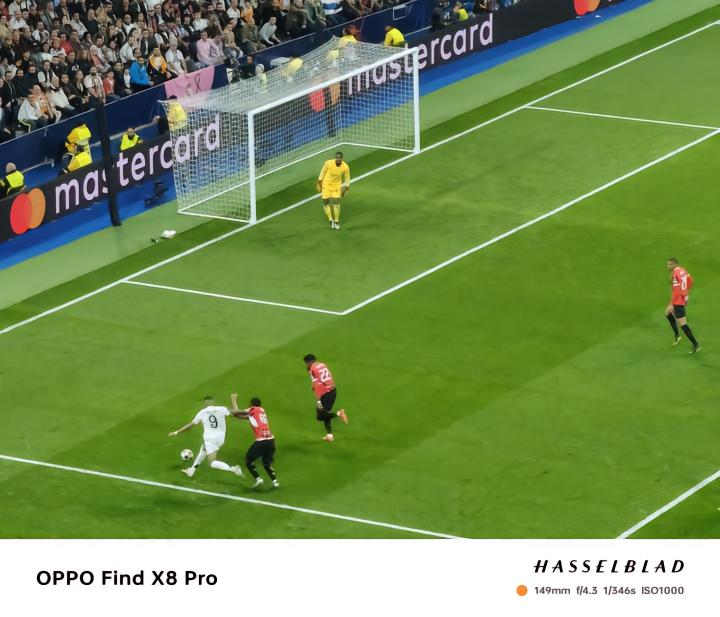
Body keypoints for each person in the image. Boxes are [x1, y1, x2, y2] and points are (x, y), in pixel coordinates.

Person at [168, 395, 244, 478]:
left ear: (204, 403)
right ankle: (192, 470)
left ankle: (233, 469)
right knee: (203, 448)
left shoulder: (202, 412)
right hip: (221, 438)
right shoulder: (221, 409)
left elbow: (190, 425)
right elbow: (236, 413)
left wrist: (176, 432)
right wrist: (235, 401)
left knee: (212, 463)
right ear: (212, 402)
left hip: (210, 439)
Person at [230, 394, 279, 489]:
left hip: (261, 441)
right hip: (271, 440)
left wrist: (233, 400)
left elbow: (236, 412)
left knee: (248, 460)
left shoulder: (253, 409)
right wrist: (235, 415)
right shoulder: (261, 411)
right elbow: (243, 416)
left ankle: (258, 478)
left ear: (252, 404)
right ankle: (275, 481)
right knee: (266, 463)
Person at [303, 354, 348, 442]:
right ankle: (329, 435)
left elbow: (317, 385)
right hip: (333, 390)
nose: (306, 365)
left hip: (325, 393)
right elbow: (328, 376)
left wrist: (319, 401)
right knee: (326, 413)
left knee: (320, 416)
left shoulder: (312, 369)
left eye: (306, 363)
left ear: (309, 362)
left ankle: (339, 414)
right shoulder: (322, 365)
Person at [665, 258, 701, 354]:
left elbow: (676, 290)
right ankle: (677, 335)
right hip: (681, 299)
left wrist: (672, 303)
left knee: (683, 325)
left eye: (669, 264)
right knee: (667, 313)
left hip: (677, 301)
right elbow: (691, 281)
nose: (668, 266)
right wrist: (685, 293)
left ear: (675, 264)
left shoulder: (675, 274)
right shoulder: (683, 271)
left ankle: (696, 345)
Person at [316, 151, 349, 230]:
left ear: (342, 158)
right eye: (337, 157)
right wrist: (319, 181)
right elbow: (323, 171)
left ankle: (336, 221)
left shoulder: (345, 167)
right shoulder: (328, 163)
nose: (338, 159)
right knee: (326, 203)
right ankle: (331, 220)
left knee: (336, 202)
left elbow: (347, 178)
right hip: (326, 185)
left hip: (336, 187)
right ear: (335, 157)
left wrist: (346, 187)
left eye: (339, 158)